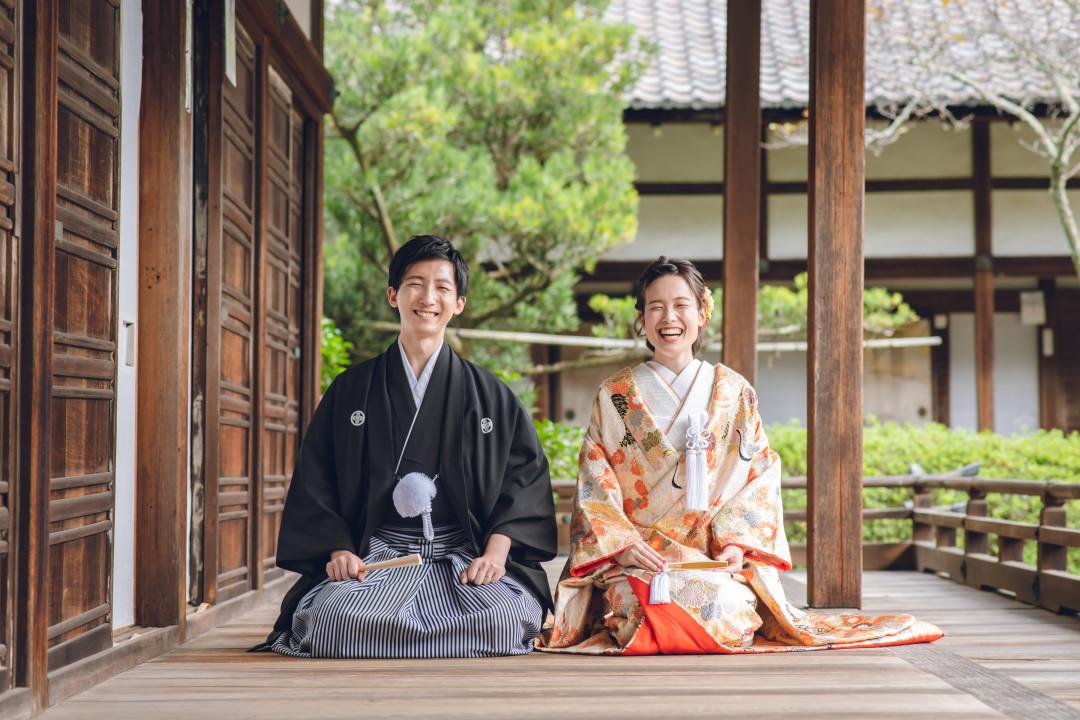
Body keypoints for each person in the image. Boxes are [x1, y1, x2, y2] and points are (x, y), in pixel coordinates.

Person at [539, 256, 942, 654]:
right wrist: (622, 545)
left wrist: (738, 545)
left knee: (727, 610)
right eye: (655, 307)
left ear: (702, 313)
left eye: (681, 305)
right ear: (641, 319)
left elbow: (759, 474)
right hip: (639, 561)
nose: (669, 317)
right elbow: (595, 481)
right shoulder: (614, 396)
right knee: (639, 612)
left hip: (710, 558)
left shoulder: (733, 392)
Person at [255, 235, 557, 658]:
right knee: (329, 619)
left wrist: (496, 553)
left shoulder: (491, 395)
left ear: (459, 303)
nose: (427, 297)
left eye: (442, 287)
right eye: (415, 284)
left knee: (505, 616)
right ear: (394, 295)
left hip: (462, 555)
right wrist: (339, 548)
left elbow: (523, 481)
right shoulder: (352, 389)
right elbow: (317, 477)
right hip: (377, 555)